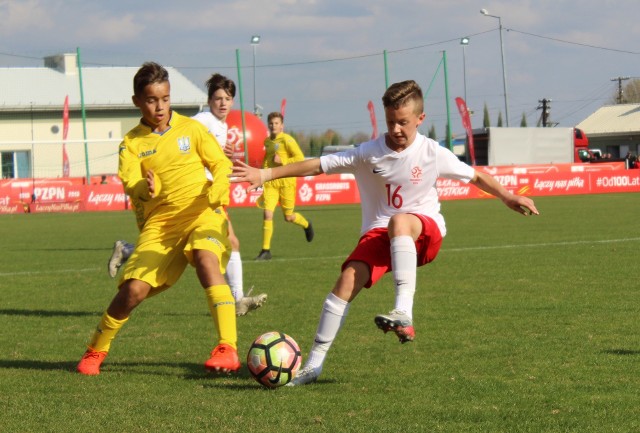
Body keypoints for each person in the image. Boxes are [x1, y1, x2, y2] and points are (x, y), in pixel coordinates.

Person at [231, 80, 539, 386]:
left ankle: (404, 310)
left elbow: (476, 177)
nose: (396, 129)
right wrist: (265, 173)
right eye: (391, 122)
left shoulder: (432, 152)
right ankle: (313, 365)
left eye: (403, 122)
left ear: (420, 119)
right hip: (381, 233)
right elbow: (317, 166)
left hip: (425, 233)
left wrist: (508, 196)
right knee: (346, 280)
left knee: (400, 221)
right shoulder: (368, 153)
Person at [77, 62, 240, 376]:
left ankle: (227, 348)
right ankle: (95, 350)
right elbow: (131, 185)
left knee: (206, 258)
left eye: (165, 98)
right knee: (132, 291)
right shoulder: (132, 144)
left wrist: (219, 187)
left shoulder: (192, 129)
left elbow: (220, 164)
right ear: (137, 101)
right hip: (160, 227)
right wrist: (146, 188)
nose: (160, 106)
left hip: (202, 214)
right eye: (152, 100)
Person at [107, 73, 267, 317]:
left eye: (227, 98)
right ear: (209, 101)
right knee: (224, 245)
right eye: (217, 99)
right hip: (196, 196)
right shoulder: (202, 120)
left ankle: (129, 249)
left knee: (225, 245)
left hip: (211, 192)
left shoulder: (222, 125)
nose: (222, 103)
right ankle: (236, 300)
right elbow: (176, 137)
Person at [254, 112, 314, 260]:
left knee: (288, 217)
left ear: (282, 126)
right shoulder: (267, 142)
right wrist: (261, 176)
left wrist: (283, 161)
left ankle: (306, 224)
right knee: (267, 213)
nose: (273, 126)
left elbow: (300, 158)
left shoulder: (288, 140)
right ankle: (265, 250)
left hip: (287, 182)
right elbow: (267, 161)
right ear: (268, 125)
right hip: (272, 183)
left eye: (276, 123)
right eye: (271, 123)